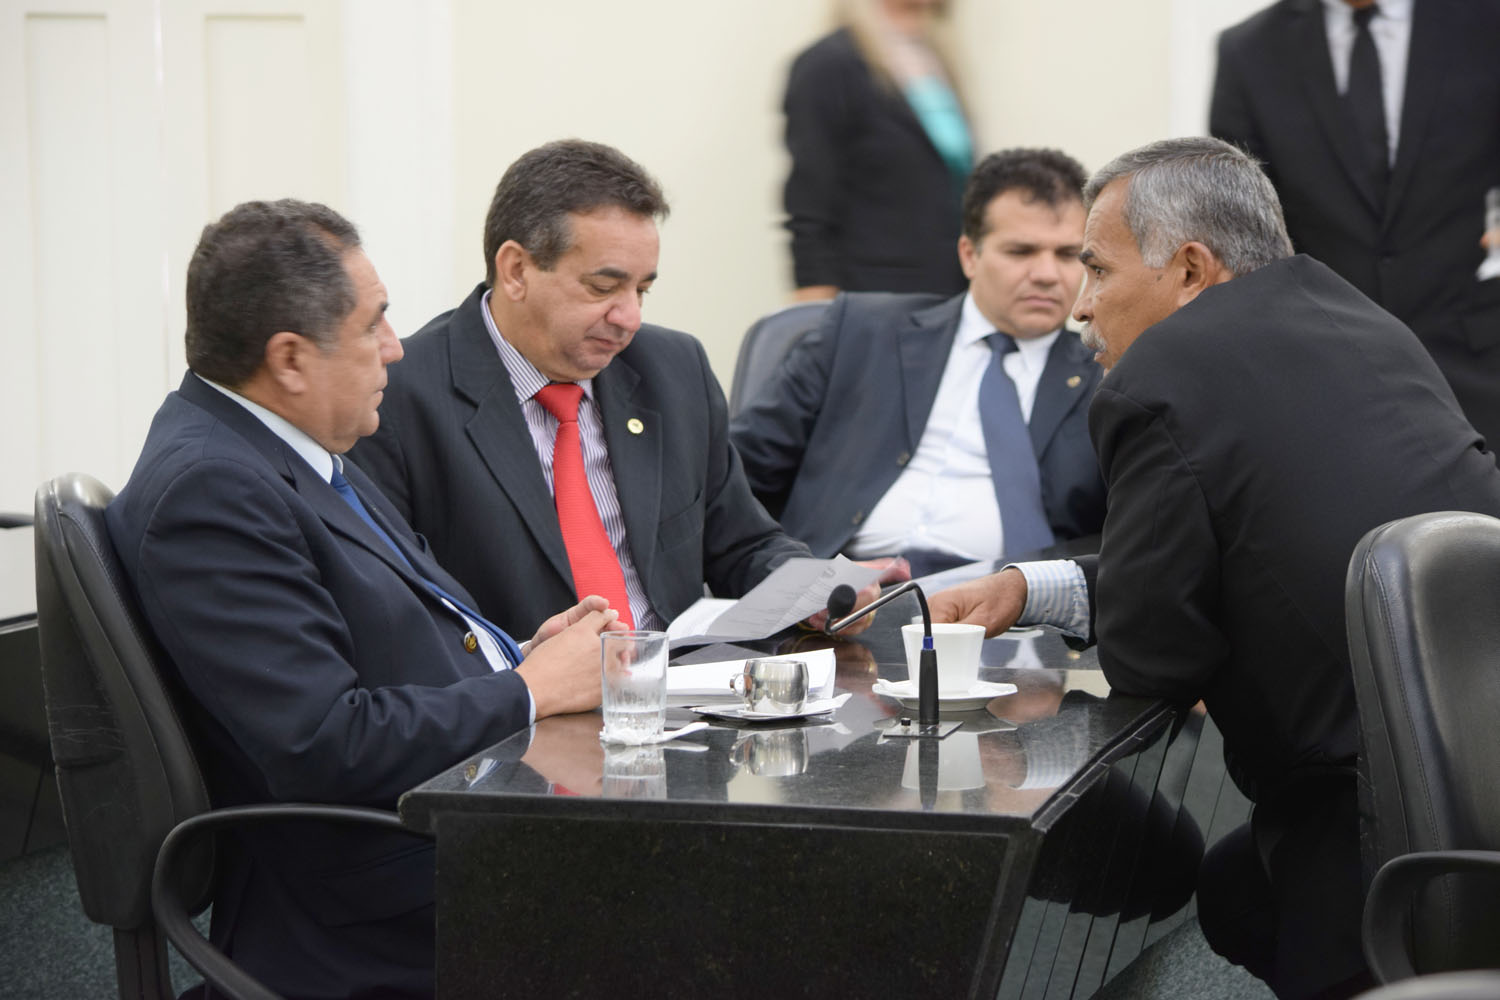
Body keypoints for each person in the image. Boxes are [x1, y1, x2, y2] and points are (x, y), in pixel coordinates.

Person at [929, 137, 1500, 1000]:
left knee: (1237, 892)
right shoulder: (1363, 322)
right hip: (1473, 774)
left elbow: (1155, 654)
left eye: (1100, 270)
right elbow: (1246, 544)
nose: (1084, 307)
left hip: (1373, 818)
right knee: (1234, 887)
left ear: (1190, 270)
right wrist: (1030, 586)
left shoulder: (1162, 376)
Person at [107, 199, 622, 997]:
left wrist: (520, 652)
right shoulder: (209, 490)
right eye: (374, 325)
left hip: (442, 832)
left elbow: (388, 640)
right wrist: (532, 688)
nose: (395, 349)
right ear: (289, 359)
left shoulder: (289, 452)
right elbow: (323, 742)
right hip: (378, 903)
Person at [350, 140, 875, 641]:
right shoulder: (398, 396)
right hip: (527, 708)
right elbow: (408, 616)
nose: (629, 317)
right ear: (515, 271)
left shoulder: (674, 368)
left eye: (642, 289)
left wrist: (812, 590)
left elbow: (742, 542)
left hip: (687, 691)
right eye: (603, 288)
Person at [731, 148, 1106, 575]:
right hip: (839, 589)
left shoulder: (1107, 373)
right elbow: (735, 473)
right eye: (1021, 251)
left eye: (1066, 255)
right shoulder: (863, 332)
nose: (1047, 274)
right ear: (969, 255)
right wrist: (784, 570)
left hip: (1006, 607)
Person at [1210, 0, 1500, 449]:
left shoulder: (1483, 21)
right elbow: (1239, 221)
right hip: (1321, 373)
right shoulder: (1249, 50)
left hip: (1478, 357)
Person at [782, 0, 973, 300]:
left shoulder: (935, 57)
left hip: (947, 286)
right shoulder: (829, 64)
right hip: (872, 295)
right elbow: (809, 201)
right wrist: (815, 309)